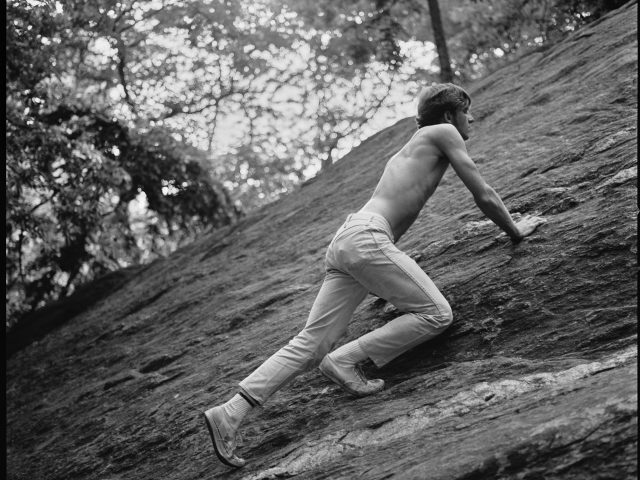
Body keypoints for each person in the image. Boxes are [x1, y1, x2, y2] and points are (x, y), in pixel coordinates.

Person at [203, 83, 546, 467]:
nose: (472, 118)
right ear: (450, 116)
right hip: (367, 239)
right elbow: (482, 192)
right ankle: (345, 360)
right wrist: (517, 231)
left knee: (311, 341)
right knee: (436, 313)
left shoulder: (418, 144)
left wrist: (388, 280)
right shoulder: (444, 133)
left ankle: (230, 411)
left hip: (351, 240)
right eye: (467, 112)